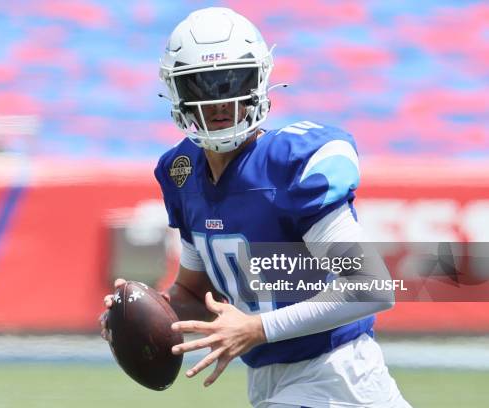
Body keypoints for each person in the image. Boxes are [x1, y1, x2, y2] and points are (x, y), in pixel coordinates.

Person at [102, 7, 411, 408]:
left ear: (259, 80)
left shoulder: (290, 162)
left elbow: (371, 287)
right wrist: (138, 313)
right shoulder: (182, 174)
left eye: (232, 80)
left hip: (336, 380)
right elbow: (194, 293)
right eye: (203, 85)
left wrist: (258, 328)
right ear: (177, 92)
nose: (220, 100)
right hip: (271, 382)